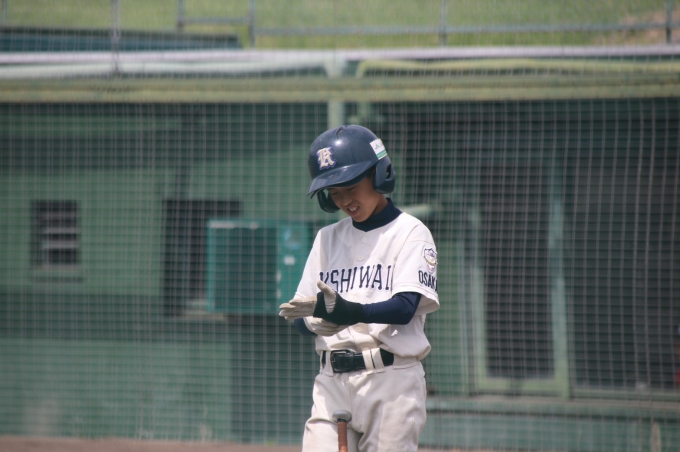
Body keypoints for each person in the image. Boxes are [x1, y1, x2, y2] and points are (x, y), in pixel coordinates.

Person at [279, 125, 439, 452]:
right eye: (334, 192)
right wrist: (317, 321)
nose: (344, 200)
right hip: (331, 381)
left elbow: (405, 307)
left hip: (391, 380)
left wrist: (351, 312)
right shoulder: (327, 238)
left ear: (379, 174)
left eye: (351, 186)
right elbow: (300, 315)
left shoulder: (410, 232)